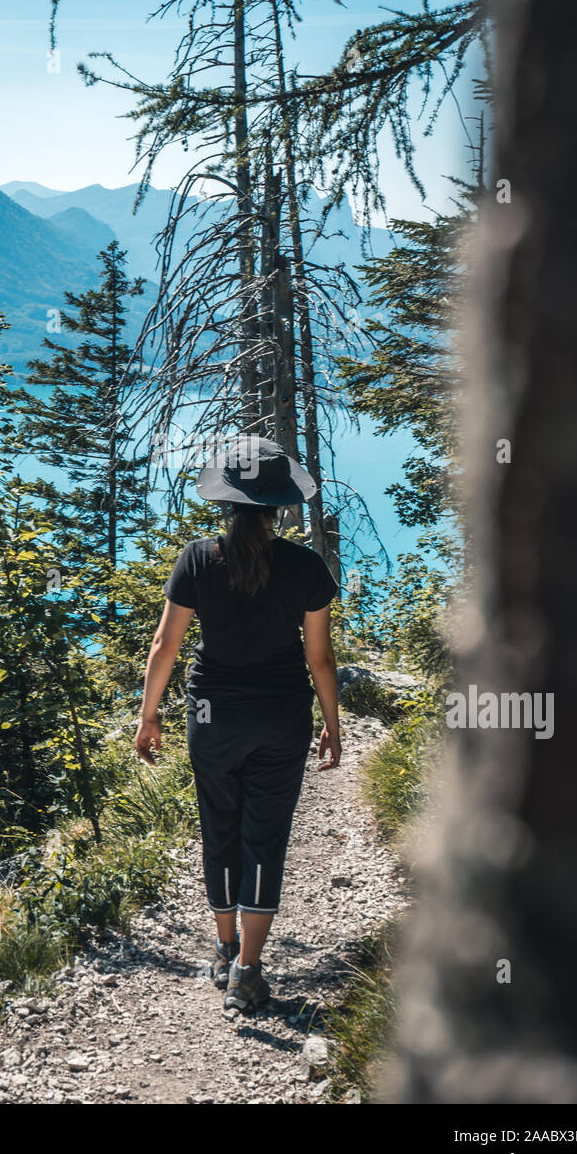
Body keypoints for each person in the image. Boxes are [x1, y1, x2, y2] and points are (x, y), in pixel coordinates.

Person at [134, 435, 342, 1015]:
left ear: (225, 501)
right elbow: (319, 658)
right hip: (282, 719)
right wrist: (331, 724)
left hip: (212, 718)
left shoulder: (199, 558)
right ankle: (248, 972)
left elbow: (165, 645)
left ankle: (225, 951)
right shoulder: (306, 566)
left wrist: (149, 717)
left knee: (219, 831)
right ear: (279, 504)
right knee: (265, 840)